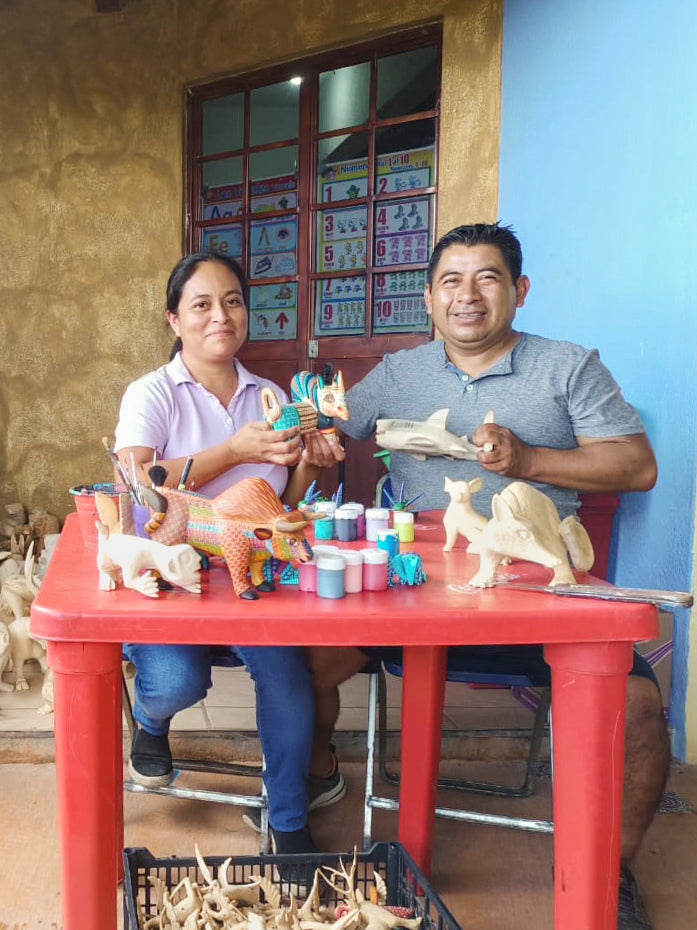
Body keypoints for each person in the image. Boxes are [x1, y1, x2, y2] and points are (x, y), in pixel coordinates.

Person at [305, 223, 669, 930]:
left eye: (487, 278)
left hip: (533, 591)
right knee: (296, 662)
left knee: (637, 704)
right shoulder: (398, 373)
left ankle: (610, 871)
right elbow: (325, 433)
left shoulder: (568, 367)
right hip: (409, 586)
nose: (466, 296)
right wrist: (313, 442)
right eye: (450, 280)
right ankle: (317, 778)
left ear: (518, 290)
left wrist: (528, 460)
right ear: (428, 298)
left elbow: (636, 465)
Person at [113, 251, 345, 886]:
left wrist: (311, 462)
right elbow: (136, 484)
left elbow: (282, 504)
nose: (221, 315)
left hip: (251, 575)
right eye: (202, 304)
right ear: (174, 319)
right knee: (176, 680)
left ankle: (289, 824)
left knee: (288, 679)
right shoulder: (152, 393)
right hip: (170, 572)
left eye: (233, 301)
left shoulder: (271, 396)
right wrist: (233, 450)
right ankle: (151, 722)